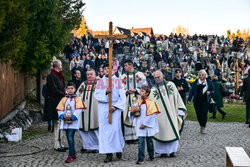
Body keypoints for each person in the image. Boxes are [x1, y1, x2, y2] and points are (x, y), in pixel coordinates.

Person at [150, 70, 187, 158]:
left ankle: (172, 151)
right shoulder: (153, 90)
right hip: (160, 117)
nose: (157, 79)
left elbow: (177, 97)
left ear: (163, 76)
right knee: (161, 132)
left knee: (173, 130)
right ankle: (162, 152)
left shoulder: (171, 85)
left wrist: (180, 110)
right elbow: (151, 103)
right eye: (155, 78)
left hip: (172, 113)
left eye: (158, 77)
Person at [94, 63, 126, 162]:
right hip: (103, 108)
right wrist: (105, 92)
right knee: (105, 132)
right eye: (105, 69)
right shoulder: (100, 82)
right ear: (102, 71)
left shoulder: (118, 81)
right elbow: (96, 95)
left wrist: (115, 107)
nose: (107, 70)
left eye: (109, 68)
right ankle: (109, 153)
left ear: (113, 70)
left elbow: (123, 97)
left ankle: (118, 149)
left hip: (114, 108)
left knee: (115, 131)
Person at [128, 85, 160, 164]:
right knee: (140, 142)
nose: (140, 92)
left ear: (147, 93)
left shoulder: (151, 103)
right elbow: (131, 112)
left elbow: (152, 115)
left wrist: (145, 124)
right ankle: (141, 158)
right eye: (140, 91)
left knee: (149, 141)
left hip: (147, 125)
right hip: (139, 124)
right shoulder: (137, 102)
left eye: (142, 91)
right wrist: (132, 112)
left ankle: (151, 155)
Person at [57, 82, 86, 163]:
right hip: (65, 121)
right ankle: (73, 154)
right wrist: (63, 116)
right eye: (68, 88)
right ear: (66, 90)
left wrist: (73, 117)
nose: (70, 90)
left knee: (70, 137)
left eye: (72, 88)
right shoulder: (63, 99)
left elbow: (79, 109)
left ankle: (70, 155)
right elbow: (60, 109)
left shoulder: (78, 99)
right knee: (69, 138)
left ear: (75, 89)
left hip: (73, 122)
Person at [120, 60, 147, 143]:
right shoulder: (122, 76)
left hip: (137, 98)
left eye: (125, 65)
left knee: (138, 116)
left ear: (130, 66)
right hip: (127, 99)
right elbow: (119, 88)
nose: (124, 67)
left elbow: (144, 86)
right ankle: (129, 138)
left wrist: (136, 90)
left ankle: (138, 136)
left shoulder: (140, 75)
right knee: (128, 117)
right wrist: (125, 91)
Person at [43, 60, 67, 152]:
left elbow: (62, 87)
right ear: (57, 66)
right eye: (61, 64)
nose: (61, 66)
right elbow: (54, 89)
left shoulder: (59, 75)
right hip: (54, 103)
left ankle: (61, 143)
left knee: (60, 123)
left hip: (59, 101)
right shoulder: (51, 76)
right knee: (57, 123)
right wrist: (64, 94)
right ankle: (57, 145)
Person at [76, 69, 99, 153]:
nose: (89, 76)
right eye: (88, 74)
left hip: (95, 111)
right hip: (84, 111)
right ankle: (86, 145)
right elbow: (77, 96)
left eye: (91, 74)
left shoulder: (99, 84)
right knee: (83, 129)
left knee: (95, 129)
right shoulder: (83, 84)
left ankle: (97, 146)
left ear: (95, 75)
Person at [188, 70, 214, 134]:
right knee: (198, 114)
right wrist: (189, 99)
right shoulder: (196, 82)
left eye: (202, 75)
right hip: (197, 101)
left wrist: (210, 92)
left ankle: (203, 127)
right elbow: (191, 91)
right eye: (200, 75)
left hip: (205, 100)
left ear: (205, 75)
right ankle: (201, 124)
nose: (201, 76)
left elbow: (213, 90)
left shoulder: (209, 82)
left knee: (204, 113)